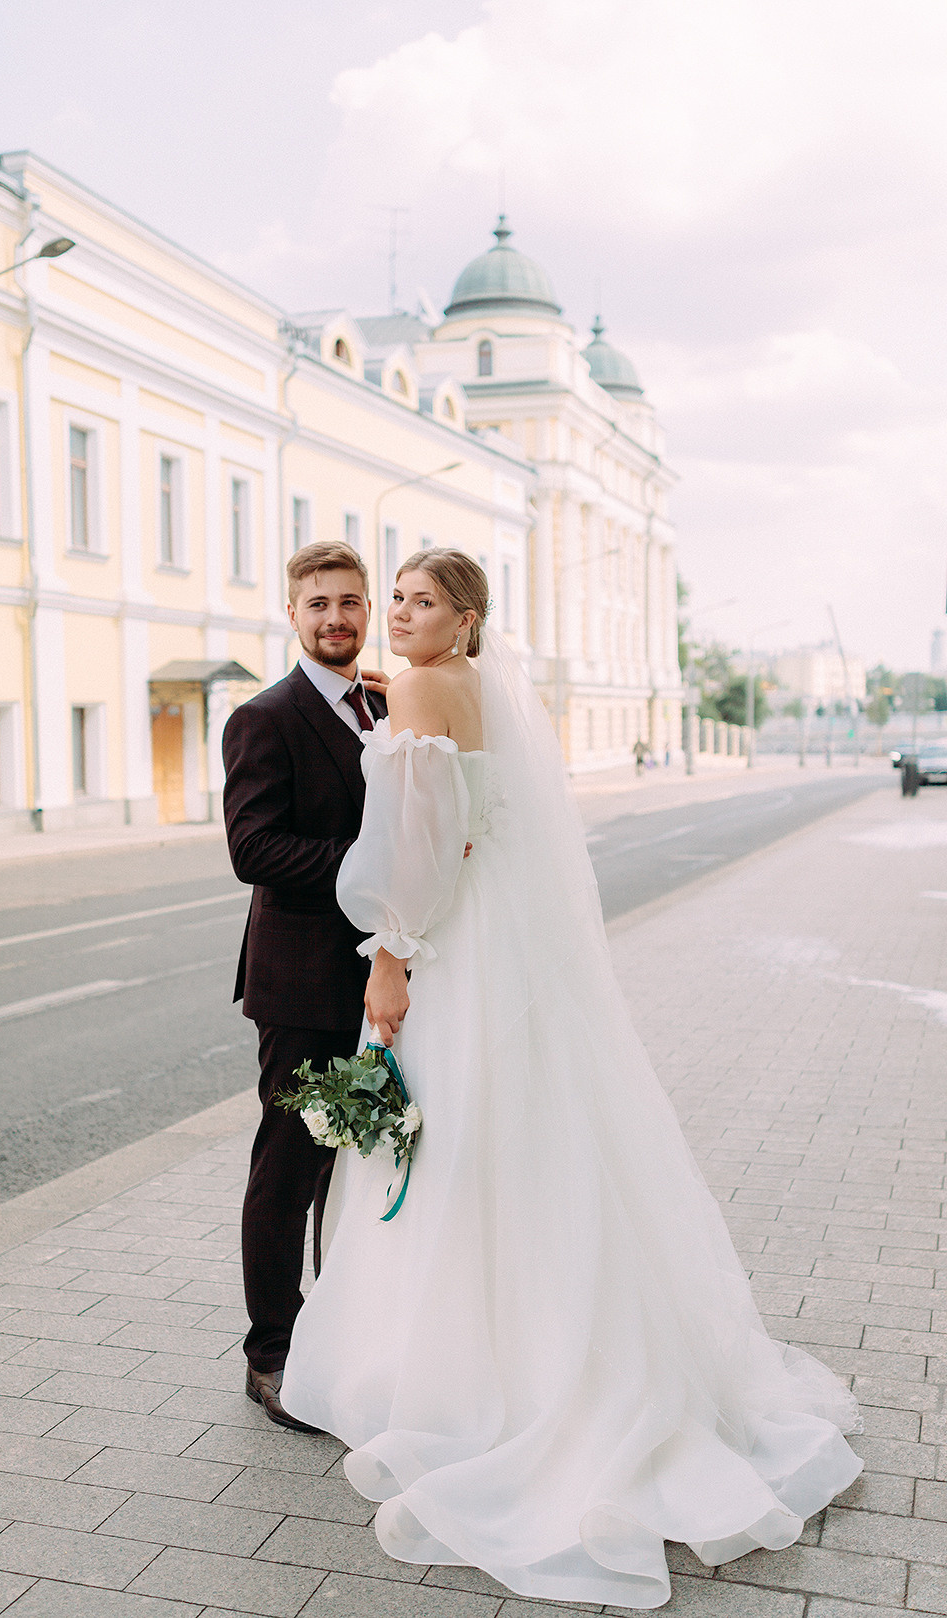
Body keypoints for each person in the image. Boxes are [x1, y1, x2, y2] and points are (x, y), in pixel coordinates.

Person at [280, 548, 863, 1610]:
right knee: (528, 1138)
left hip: (446, 947)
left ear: (464, 618)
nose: (395, 613)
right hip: (509, 948)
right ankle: (571, 1348)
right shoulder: (474, 688)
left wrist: (391, 955)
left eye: (418, 601)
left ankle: (467, 1382)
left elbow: (417, 845)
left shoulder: (416, 685)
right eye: (393, 598)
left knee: (456, 1149)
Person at [222, 540, 387, 1433]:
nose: (336, 619)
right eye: (319, 604)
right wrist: (375, 869)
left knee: (360, 1168)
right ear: (292, 614)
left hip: (387, 980)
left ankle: (344, 1334)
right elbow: (255, 850)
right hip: (303, 982)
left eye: (350, 603)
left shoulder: (385, 704)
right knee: (288, 1168)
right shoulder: (265, 716)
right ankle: (271, 1354)